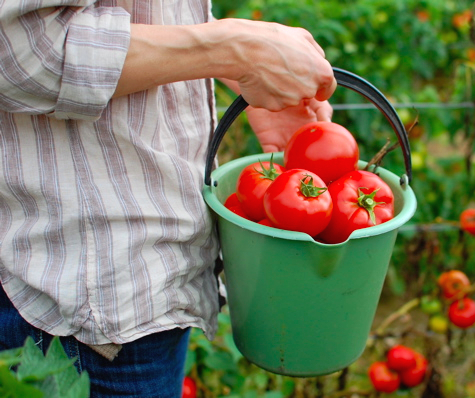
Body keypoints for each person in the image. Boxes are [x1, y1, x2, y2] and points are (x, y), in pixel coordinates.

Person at [0, 1, 336, 396]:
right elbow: (19, 47)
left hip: (139, 288)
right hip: (83, 310)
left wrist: (234, 65)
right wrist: (233, 49)